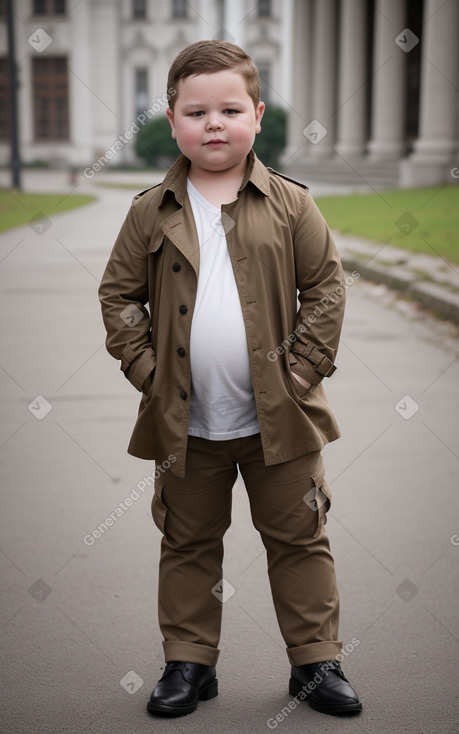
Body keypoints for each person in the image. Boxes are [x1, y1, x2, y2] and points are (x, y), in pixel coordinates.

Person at [98, 39, 362, 719]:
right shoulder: (147, 210)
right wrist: (147, 372)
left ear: (256, 114)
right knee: (186, 543)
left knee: (299, 538)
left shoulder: (290, 205)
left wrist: (301, 368)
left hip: (282, 417)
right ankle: (188, 663)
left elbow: (326, 288)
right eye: (195, 111)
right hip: (184, 421)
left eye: (228, 109)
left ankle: (315, 662)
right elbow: (119, 296)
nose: (213, 123)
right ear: (171, 119)